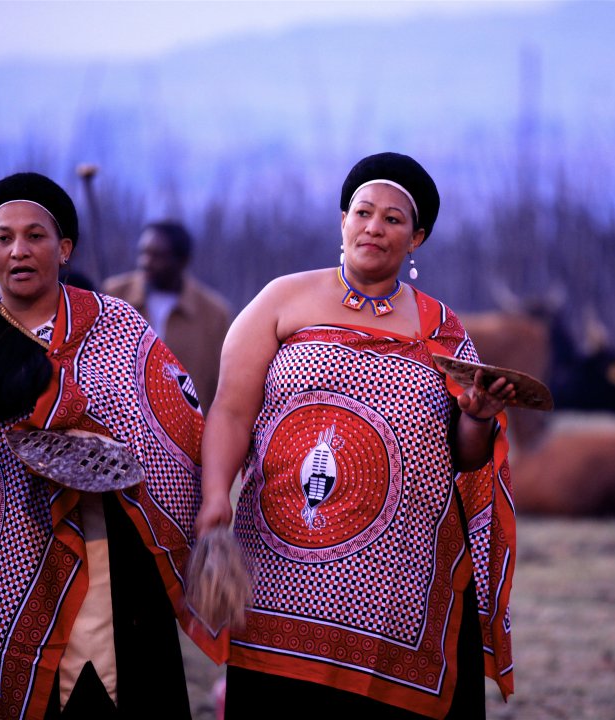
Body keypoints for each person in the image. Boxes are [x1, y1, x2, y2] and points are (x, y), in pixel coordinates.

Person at [0, 172, 211, 718]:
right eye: (3, 238)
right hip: (6, 566)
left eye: (35, 236)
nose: (19, 250)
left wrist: (102, 440)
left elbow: (177, 426)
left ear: (65, 248)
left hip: (117, 559)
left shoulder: (118, 324)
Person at [196, 152, 518, 718]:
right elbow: (229, 411)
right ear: (342, 220)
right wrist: (216, 493)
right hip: (280, 568)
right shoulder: (282, 300)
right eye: (363, 212)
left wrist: (479, 415)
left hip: (397, 582)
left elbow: (464, 460)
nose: (375, 227)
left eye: (394, 219)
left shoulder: (443, 331)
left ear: (416, 237)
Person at [102, 221, 231, 412]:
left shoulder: (213, 314)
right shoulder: (114, 295)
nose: (146, 262)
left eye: (158, 256)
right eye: (143, 253)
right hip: (119, 424)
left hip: (185, 428)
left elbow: (221, 385)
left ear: (182, 261)